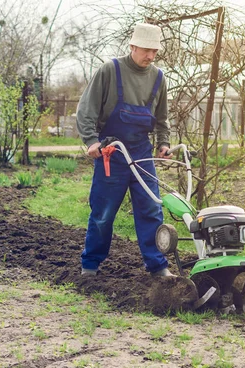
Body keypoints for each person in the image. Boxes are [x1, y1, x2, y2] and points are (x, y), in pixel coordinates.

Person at [76, 22, 174, 278]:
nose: (150, 56)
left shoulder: (159, 77)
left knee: (151, 209)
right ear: (132, 46)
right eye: (145, 50)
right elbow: (86, 110)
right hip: (112, 151)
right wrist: (91, 141)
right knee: (103, 212)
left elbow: (162, 119)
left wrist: (163, 143)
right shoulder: (111, 70)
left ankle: (157, 265)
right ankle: (90, 265)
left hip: (142, 152)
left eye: (154, 51)